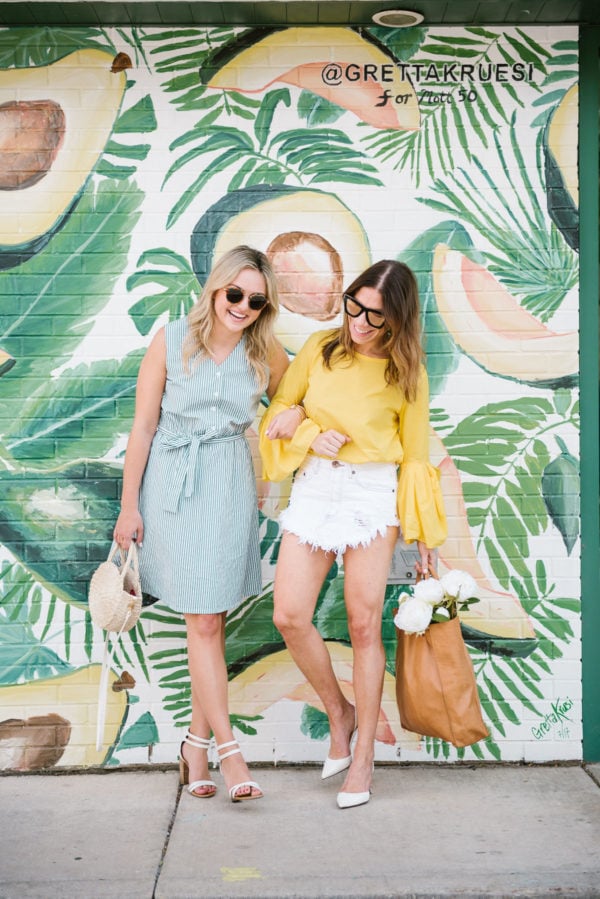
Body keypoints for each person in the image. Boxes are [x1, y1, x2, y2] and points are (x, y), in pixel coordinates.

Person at [259, 259, 447, 809]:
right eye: (354, 306)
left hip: (372, 496)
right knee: (289, 615)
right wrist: (309, 431)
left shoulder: (406, 373)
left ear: (397, 319)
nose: (360, 322)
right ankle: (339, 711)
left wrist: (424, 535)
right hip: (317, 488)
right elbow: (280, 411)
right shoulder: (320, 348)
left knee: (364, 628)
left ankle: (363, 753)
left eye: (375, 315)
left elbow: (415, 457)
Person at [114, 245, 289, 803]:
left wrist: (293, 418)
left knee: (207, 623)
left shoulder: (266, 354)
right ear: (214, 289)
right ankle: (229, 752)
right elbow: (142, 428)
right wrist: (128, 505)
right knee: (203, 624)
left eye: (255, 301)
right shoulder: (169, 340)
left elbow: (303, 404)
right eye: (234, 293)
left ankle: (194, 745)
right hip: (171, 489)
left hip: (229, 490)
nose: (242, 306)